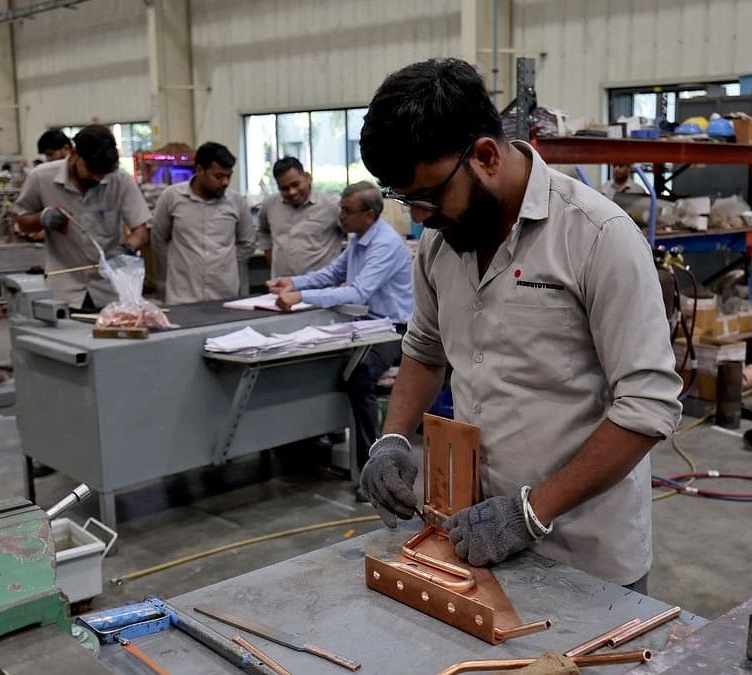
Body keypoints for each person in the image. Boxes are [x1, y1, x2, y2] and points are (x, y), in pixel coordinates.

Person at [357, 58, 682, 592]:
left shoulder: (597, 237)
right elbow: (424, 347)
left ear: (484, 155)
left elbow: (648, 405)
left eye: (428, 197)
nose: (419, 217)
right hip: (471, 538)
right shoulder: (441, 241)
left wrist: (531, 512)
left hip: (586, 555)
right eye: (405, 200)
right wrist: (391, 438)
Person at [267, 181, 413, 495]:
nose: (341, 216)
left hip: (392, 329)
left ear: (370, 214)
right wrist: (291, 282)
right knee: (318, 363)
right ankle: (313, 443)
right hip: (363, 324)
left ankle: (370, 471)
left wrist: (301, 296)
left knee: (359, 375)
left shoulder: (384, 245)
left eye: (347, 211)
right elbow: (331, 274)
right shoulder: (359, 239)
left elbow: (359, 291)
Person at [13, 124, 151, 310]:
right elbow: (22, 222)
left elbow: (141, 230)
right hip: (64, 292)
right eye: (91, 170)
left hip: (110, 290)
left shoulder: (119, 180)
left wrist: (127, 248)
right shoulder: (41, 178)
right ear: (74, 154)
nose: (96, 178)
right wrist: (41, 218)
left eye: (101, 174)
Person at [151, 142, 256, 305]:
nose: (225, 182)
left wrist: (223, 264)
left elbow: (248, 244)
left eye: (229, 176)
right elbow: (158, 240)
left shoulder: (236, 202)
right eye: (219, 176)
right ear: (200, 170)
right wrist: (180, 265)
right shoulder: (171, 198)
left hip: (224, 296)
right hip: (182, 297)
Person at [257, 157, 342, 278]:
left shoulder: (331, 205)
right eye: (284, 188)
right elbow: (263, 232)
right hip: (283, 285)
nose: (292, 192)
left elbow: (355, 236)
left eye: (296, 184)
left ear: (307, 177)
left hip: (322, 288)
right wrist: (273, 261)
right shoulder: (270, 204)